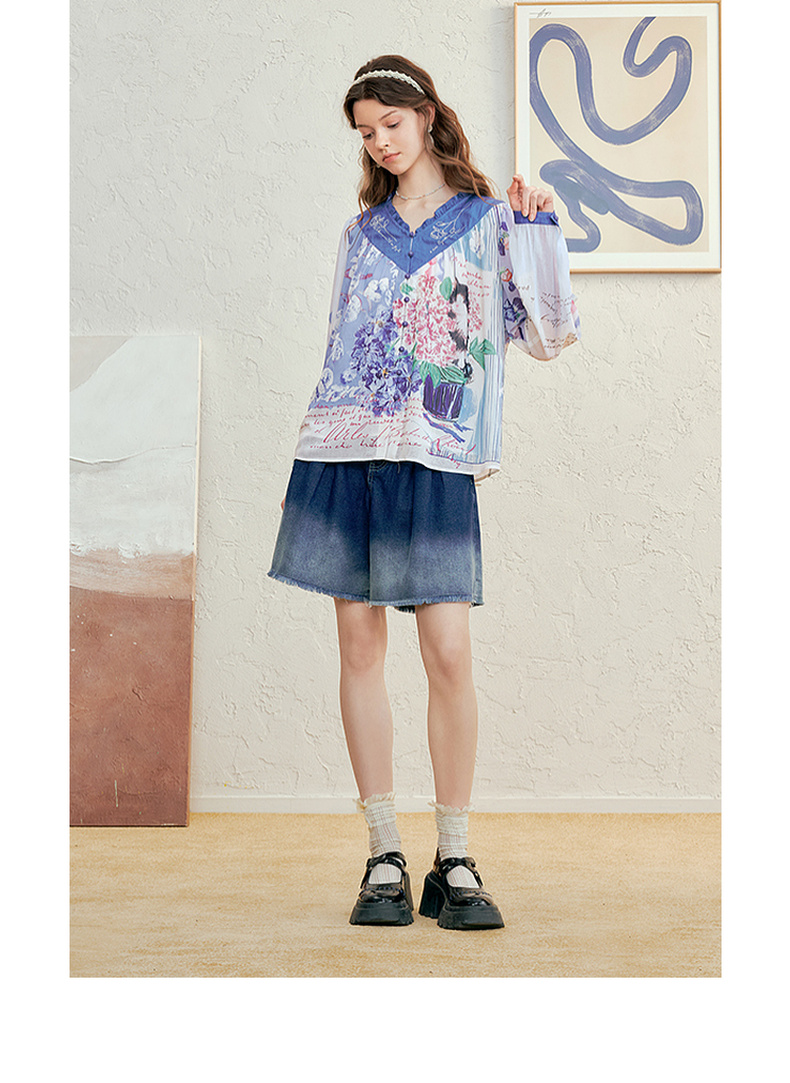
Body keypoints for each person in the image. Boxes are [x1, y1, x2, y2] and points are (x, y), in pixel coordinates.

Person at [269, 55, 579, 930]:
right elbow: (338, 347)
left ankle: (455, 855)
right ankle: (383, 854)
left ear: (428, 116)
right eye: (366, 132)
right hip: (343, 453)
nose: (380, 141)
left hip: (437, 457)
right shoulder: (359, 233)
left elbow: (550, 334)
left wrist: (541, 230)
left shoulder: (491, 223)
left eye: (391, 124)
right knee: (359, 650)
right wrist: (315, 452)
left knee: (447, 654)